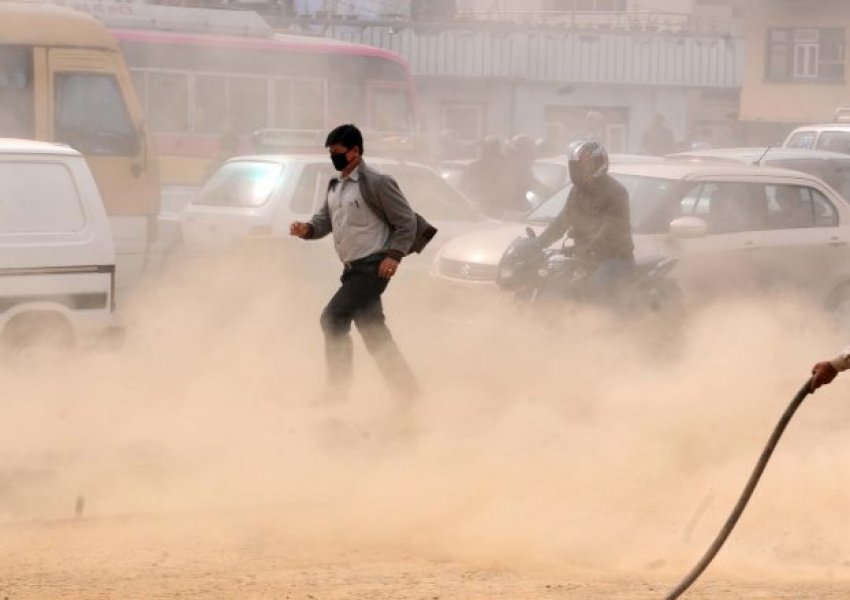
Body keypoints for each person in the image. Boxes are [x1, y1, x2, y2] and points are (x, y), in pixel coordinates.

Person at [289, 124, 419, 404]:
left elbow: (406, 221)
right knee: (373, 331)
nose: (334, 158)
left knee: (332, 318)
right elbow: (324, 221)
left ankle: (337, 392)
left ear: (356, 151)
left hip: (373, 266)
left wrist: (394, 255)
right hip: (352, 269)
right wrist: (307, 229)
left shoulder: (376, 183)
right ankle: (407, 392)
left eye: (338, 153)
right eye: (331, 153)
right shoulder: (335, 186)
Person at [535, 140, 635, 301]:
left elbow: (611, 226)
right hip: (585, 255)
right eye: (578, 166)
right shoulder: (577, 191)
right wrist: (540, 242)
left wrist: (591, 247)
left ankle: (605, 324)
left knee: (595, 290)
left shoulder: (615, 192)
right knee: (554, 280)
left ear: (599, 164)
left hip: (614, 257)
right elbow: (564, 219)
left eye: (586, 165)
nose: (581, 170)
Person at [458, 135, 508, 217]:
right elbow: (462, 189)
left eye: (488, 149)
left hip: (498, 214)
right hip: (476, 213)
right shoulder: (472, 168)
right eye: (483, 148)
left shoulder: (504, 168)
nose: (483, 151)